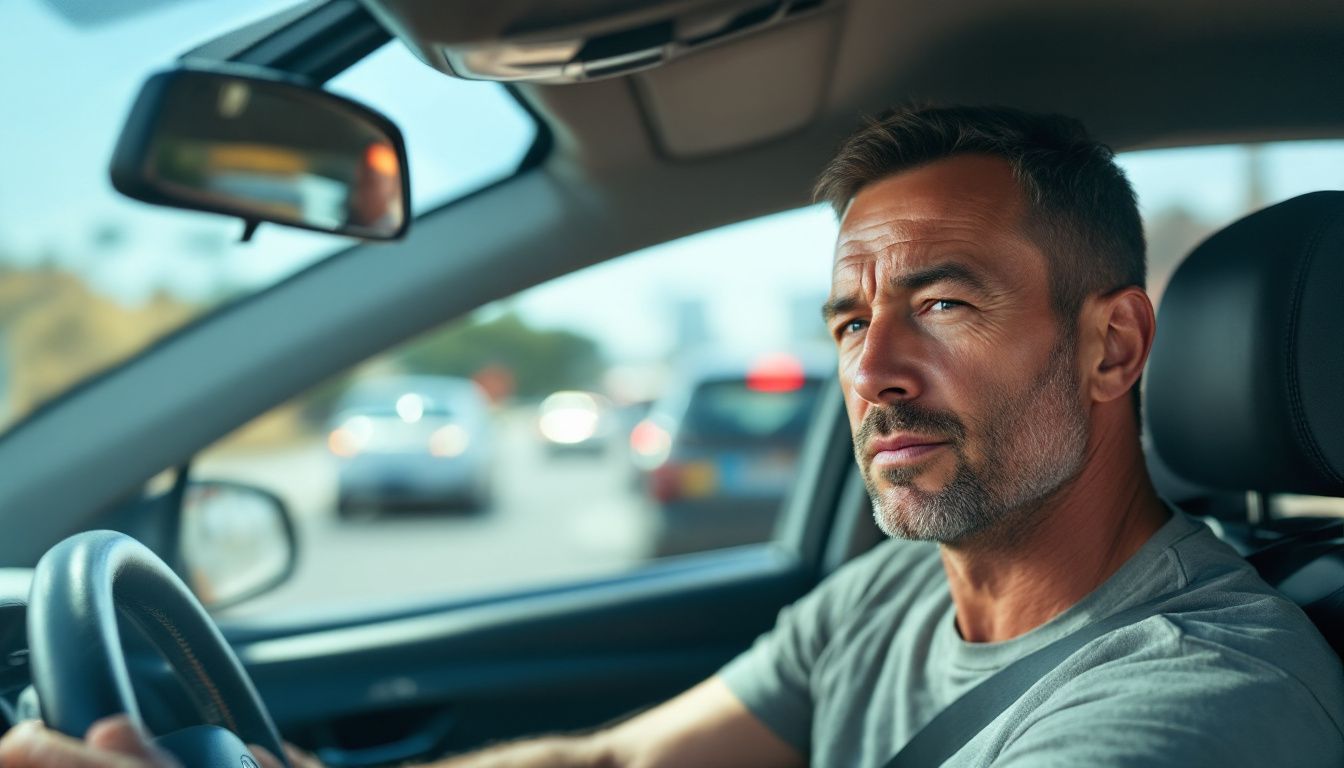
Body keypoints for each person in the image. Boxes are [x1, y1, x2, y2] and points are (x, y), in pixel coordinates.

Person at [4, 104, 1342, 767]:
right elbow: (610, 762)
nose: (872, 370)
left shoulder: (1204, 703)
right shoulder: (892, 594)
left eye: (944, 302)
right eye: (846, 319)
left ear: (1112, 346)